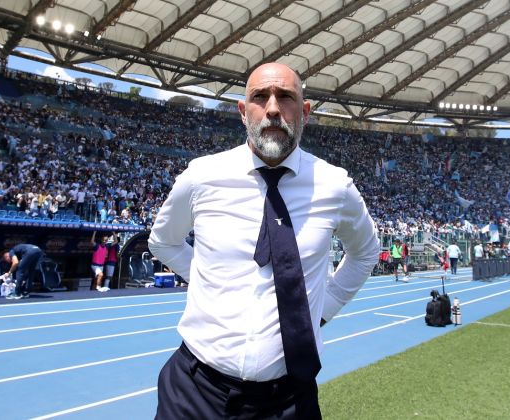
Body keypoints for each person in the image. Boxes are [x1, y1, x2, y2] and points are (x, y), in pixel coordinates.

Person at [148, 62, 380, 419]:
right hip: (194, 392)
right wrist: (207, 281)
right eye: (260, 97)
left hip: (287, 400)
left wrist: (320, 311)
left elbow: (365, 252)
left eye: (285, 96)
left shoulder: (335, 186)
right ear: (244, 112)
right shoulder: (202, 176)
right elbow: (163, 242)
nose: (272, 108)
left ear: (304, 112)